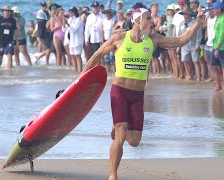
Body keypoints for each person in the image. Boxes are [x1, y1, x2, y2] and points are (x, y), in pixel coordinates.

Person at [81, 7, 205, 180]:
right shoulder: (119, 39)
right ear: (137, 21)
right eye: (148, 18)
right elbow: (97, 54)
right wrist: (80, 80)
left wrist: (198, 23)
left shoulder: (153, 40)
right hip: (120, 92)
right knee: (122, 133)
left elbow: (181, 40)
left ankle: (117, 126)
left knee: (134, 141)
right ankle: (112, 175)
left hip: (138, 96)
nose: (152, 21)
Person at [211, 1, 224, 91]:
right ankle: (218, 85)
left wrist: (218, 48)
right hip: (215, 45)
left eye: (214, 9)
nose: (213, 10)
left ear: (219, 9)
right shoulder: (218, 18)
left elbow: (222, 34)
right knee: (213, 66)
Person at [0, 5, 18, 70]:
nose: (7, 12)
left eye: (9, 11)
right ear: (3, 11)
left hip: (9, 41)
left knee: (10, 56)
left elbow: (15, 31)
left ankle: (9, 73)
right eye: (6, 11)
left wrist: (17, 41)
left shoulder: (13, 20)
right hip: (0, 41)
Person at [64, 7, 84, 72]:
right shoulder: (70, 19)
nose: (70, 13)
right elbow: (64, 30)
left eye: (71, 12)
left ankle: (80, 70)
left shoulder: (78, 20)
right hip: (71, 41)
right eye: (69, 12)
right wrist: (64, 24)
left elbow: (74, 29)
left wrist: (67, 24)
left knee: (78, 55)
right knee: (72, 56)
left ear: (75, 12)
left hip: (77, 40)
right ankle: (75, 70)